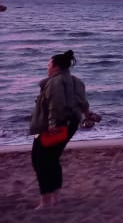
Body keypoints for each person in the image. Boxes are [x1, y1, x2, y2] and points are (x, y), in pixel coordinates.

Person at [29, 50, 99, 209]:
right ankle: (55, 197)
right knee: (52, 159)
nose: (47, 67)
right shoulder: (76, 81)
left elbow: (56, 104)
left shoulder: (54, 82)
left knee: (40, 161)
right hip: (70, 125)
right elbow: (83, 103)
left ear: (56, 67)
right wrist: (88, 115)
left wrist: (52, 124)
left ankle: (45, 201)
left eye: (49, 64)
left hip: (51, 126)